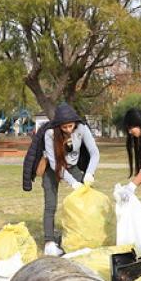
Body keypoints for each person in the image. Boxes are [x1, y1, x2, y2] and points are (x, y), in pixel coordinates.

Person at [40, 102, 100, 256]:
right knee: (50, 205)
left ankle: (87, 232)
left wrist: (89, 173)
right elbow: (54, 164)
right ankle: (49, 243)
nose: (68, 129)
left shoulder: (81, 128)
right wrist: (72, 182)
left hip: (72, 166)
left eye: (70, 126)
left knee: (89, 195)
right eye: (64, 127)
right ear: (59, 125)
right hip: (52, 169)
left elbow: (94, 152)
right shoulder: (50, 134)